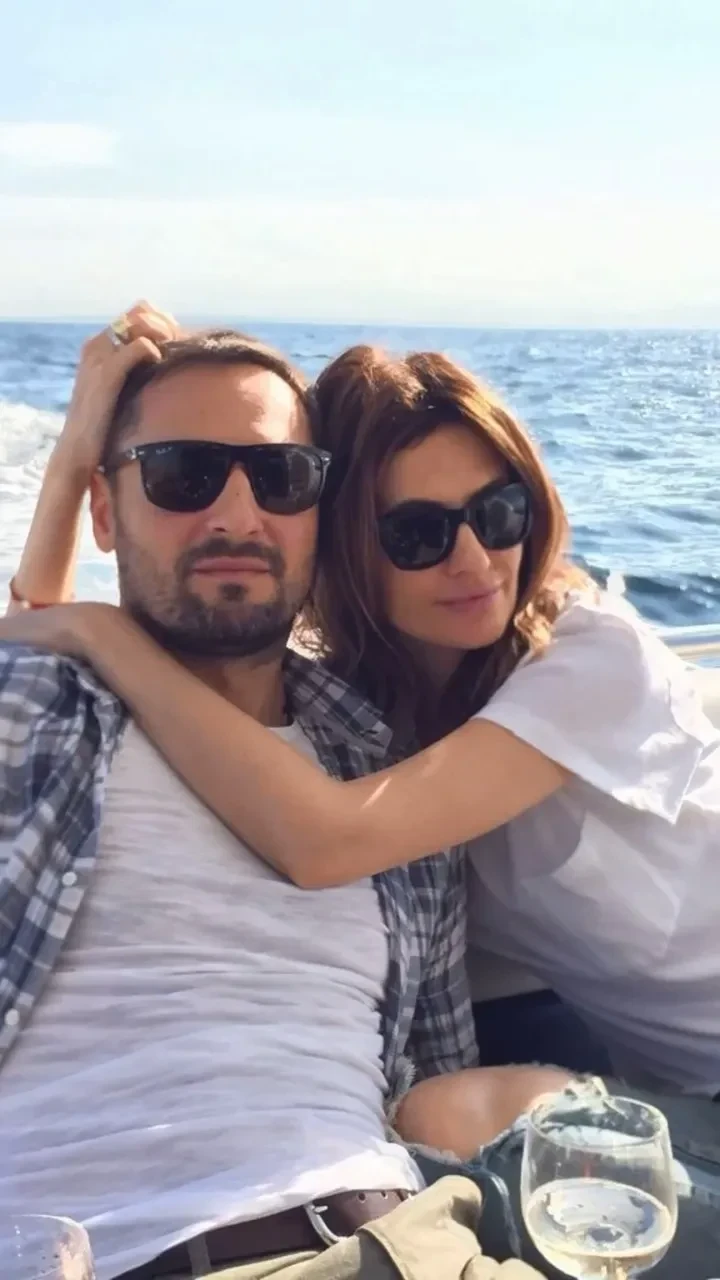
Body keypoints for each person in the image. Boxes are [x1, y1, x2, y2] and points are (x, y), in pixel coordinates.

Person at [0, 305, 561, 1280]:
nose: (236, 515)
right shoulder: (35, 704)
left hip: (402, 1243)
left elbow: (434, 1081)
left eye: (282, 477)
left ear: (320, 515)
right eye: (182, 474)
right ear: (106, 512)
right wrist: (71, 462)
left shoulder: (384, 768)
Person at [12, 336, 720, 1100]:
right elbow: (39, 661)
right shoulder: (365, 708)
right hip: (679, 1075)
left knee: (449, 1114)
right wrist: (80, 454)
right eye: (417, 534)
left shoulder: (590, 660)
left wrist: (102, 630)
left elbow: (327, 843)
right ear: (337, 545)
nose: (475, 560)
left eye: (498, 513)